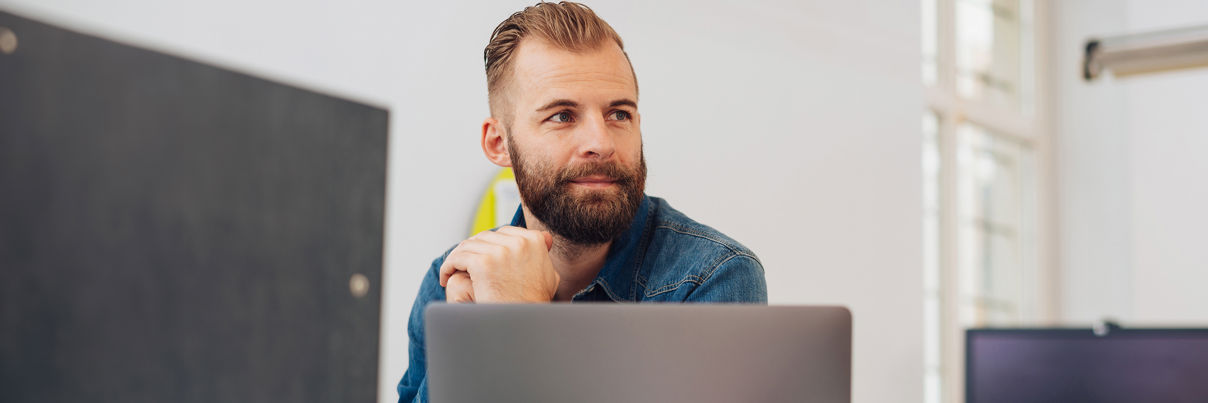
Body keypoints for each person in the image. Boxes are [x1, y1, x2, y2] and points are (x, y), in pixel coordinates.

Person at [396, 2, 768, 401]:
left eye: (619, 114)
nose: (601, 143)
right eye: (562, 116)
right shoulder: (451, 281)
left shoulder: (712, 278)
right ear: (498, 143)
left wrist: (522, 330)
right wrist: (475, 342)